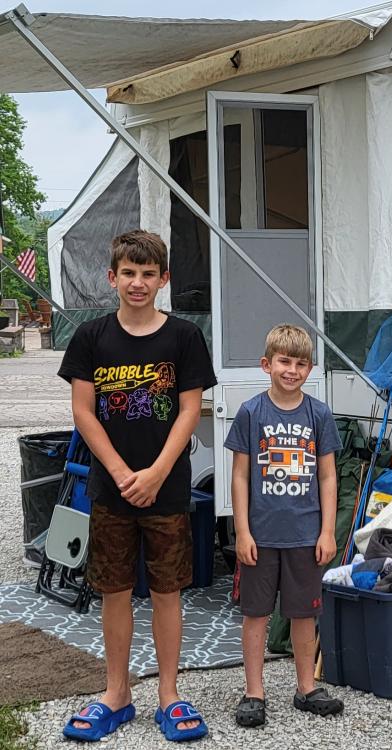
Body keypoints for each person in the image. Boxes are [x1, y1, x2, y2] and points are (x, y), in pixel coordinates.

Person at [58, 230, 217, 743]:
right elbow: (84, 411)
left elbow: (191, 410)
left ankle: (168, 695)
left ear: (163, 279)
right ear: (112, 277)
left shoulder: (185, 338)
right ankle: (117, 693)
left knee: (168, 591)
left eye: (149, 274)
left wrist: (154, 473)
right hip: (111, 490)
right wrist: (123, 472)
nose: (138, 282)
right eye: (129, 273)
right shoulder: (92, 337)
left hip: (166, 490)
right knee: (115, 591)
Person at [225, 324, 344, 728]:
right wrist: (242, 530)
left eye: (300, 363)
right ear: (267, 364)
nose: (292, 370)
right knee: (255, 614)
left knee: (303, 615)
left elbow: (328, 477)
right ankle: (254, 692)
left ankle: (306, 687)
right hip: (260, 536)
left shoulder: (320, 414)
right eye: (284, 362)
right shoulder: (251, 413)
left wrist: (327, 531)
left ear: (310, 368)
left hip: (305, 536)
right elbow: (239, 476)